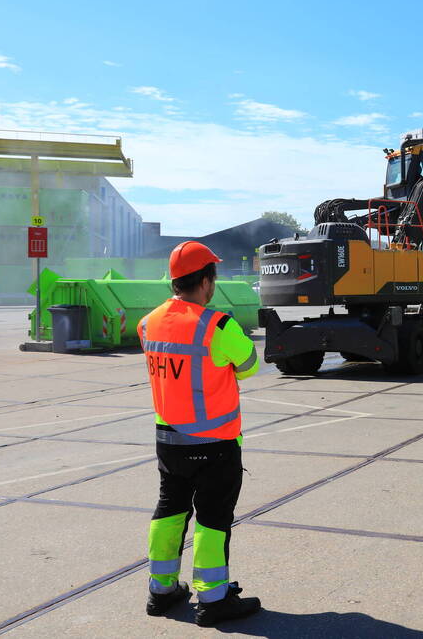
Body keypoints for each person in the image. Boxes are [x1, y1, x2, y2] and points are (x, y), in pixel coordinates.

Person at [140, 240, 262, 626]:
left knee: (169, 512)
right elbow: (249, 366)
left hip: (168, 440)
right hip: (215, 444)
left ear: (174, 280)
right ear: (207, 280)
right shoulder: (218, 325)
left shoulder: (149, 322)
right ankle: (213, 599)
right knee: (213, 519)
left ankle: (161, 592)